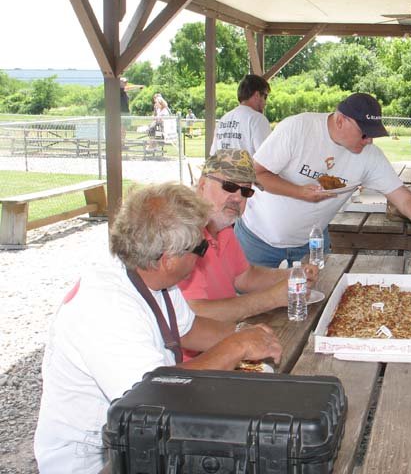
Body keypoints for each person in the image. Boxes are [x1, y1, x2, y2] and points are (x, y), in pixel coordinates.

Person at [34, 183, 282, 473]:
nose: (203, 255)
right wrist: (236, 347)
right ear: (168, 259)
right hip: (96, 459)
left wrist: (250, 336)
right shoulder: (106, 307)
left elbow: (189, 329)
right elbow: (155, 394)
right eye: (200, 247)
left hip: (136, 437)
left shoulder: (151, 277)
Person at [236, 92, 411, 268]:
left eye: (373, 134)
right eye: (364, 134)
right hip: (257, 240)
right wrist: (299, 192)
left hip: (311, 244)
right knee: (250, 303)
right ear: (340, 121)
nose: (369, 141)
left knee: (316, 302)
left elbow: (405, 200)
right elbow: (256, 173)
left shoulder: (370, 156)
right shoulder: (298, 129)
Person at [178, 149, 318, 323]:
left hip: (227, 331)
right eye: (229, 186)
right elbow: (194, 314)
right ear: (202, 185)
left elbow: (244, 277)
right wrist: (272, 298)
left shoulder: (223, 228)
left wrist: (293, 274)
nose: (238, 198)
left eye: (246, 191)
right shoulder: (185, 233)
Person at [210, 74, 272, 156]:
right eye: (265, 96)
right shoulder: (257, 119)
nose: (265, 102)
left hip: (223, 164)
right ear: (257, 95)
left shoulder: (223, 119)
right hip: (248, 165)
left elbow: (213, 154)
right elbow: (266, 157)